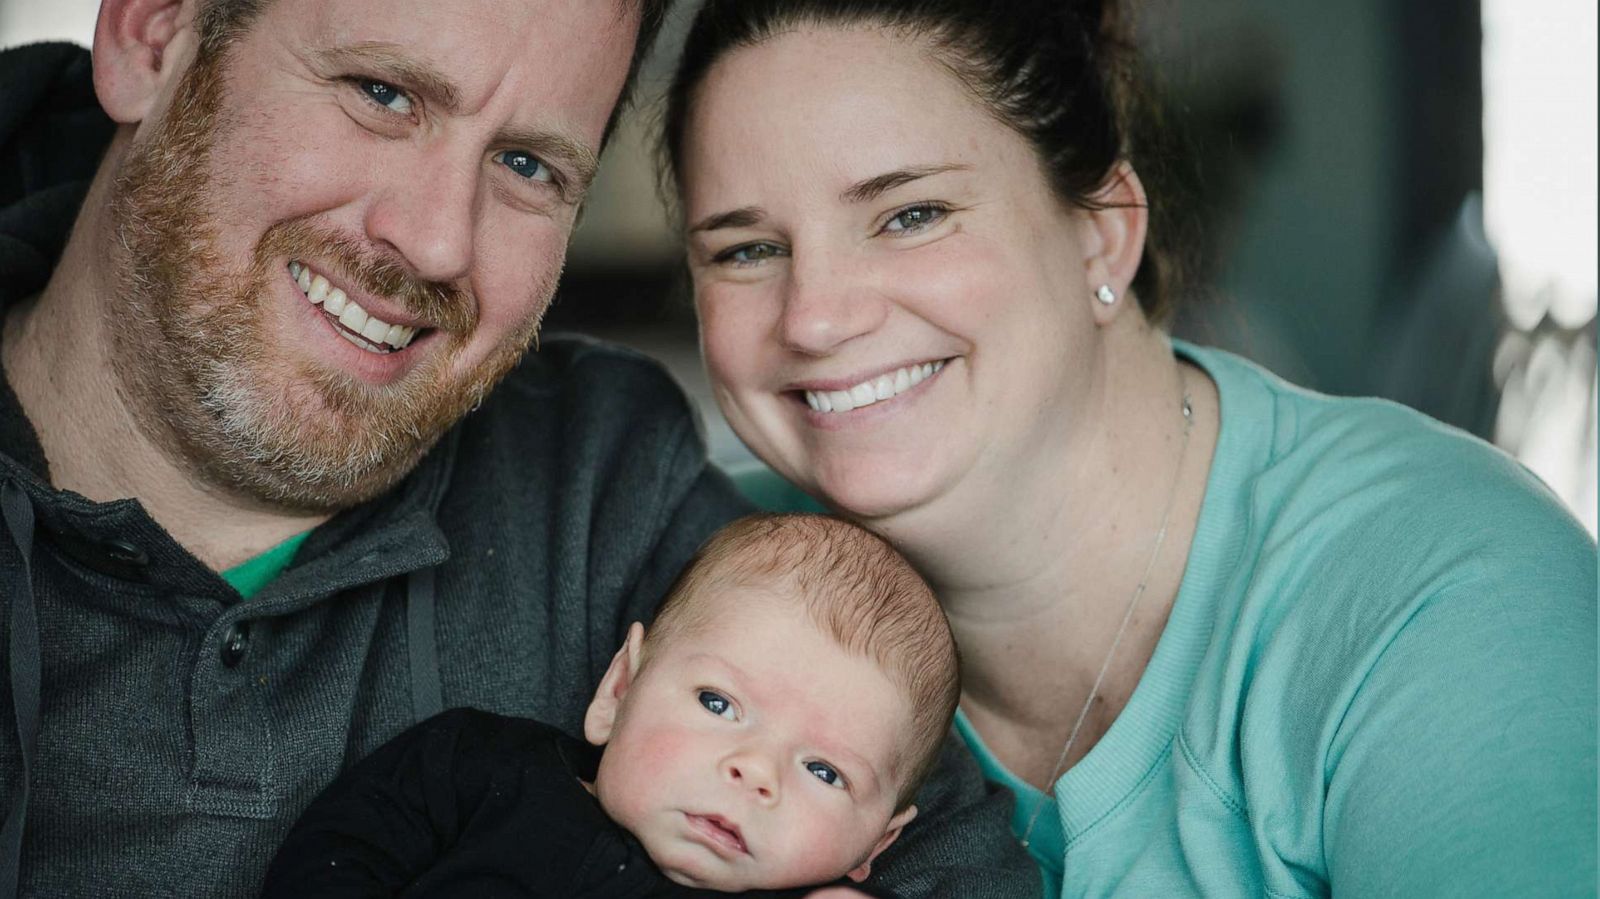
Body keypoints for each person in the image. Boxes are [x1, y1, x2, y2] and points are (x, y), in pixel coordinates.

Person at [0, 1, 1039, 896]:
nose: (440, 240)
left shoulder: (601, 480)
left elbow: (931, 836)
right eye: (382, 93)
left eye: (527, 164)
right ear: (153, 33)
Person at [659, 1, 1599, 897]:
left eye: (911, 214)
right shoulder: (699, 573)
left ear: (1103, 236)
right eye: (745, 251)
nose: (815, 317)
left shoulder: (1451, 597)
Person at [264, 514, 953, 897]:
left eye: (826, 771)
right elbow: (337, 853)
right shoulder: (478, 770)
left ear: (877, 843)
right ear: (618, 690)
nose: (756, 771)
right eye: (718, 702)